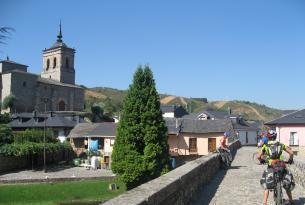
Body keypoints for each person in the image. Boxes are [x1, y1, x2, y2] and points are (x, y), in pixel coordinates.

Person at [257, 130, 295, 205]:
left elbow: (259, 156)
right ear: (275, 136)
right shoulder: (281, 144)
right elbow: (291, 152)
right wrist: (290, 160)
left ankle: (265, 202)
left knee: (267, 183)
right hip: (281, 165)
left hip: (271, 166)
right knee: (286, 180)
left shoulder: (266, 145)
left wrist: (262, 160)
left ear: (268, 136)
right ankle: (291, 200)